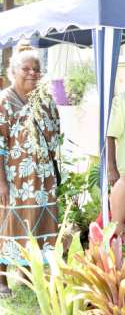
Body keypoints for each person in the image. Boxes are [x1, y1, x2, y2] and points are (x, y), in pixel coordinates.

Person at [0, 47, 61, 298]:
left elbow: (56, 135)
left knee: (37, 224)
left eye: (36, 69)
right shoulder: (4, 100)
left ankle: (29, 276)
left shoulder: (45, 99)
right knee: (8, 224)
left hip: (43, 179)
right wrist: (1, 183)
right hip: (14, 179)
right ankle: (2, 279)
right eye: (26, 69)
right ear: (13, 71)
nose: (32, 73)